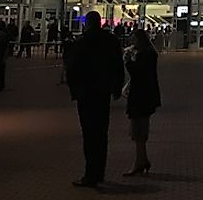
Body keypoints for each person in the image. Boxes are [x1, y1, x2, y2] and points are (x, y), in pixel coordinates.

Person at [67, 11, 125, 187]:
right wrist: (116, 88)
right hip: (103, 92)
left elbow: (72, 69)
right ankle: (99, 171)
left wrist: (74, 91)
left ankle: (90, 173)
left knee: (89, 134)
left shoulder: (82, 43)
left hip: (86, 93)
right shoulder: (111, 41)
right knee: (101, 133)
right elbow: (118, 65)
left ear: (87, 24)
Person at [122, 28, 161, 177]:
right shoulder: (149, 54)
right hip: (145, 96)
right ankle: (142, 159)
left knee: (138, 129)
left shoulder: (146, 55)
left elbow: (138, 73)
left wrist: (128, 62)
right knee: (139, 129)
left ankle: (140, 161)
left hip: (141, 97)